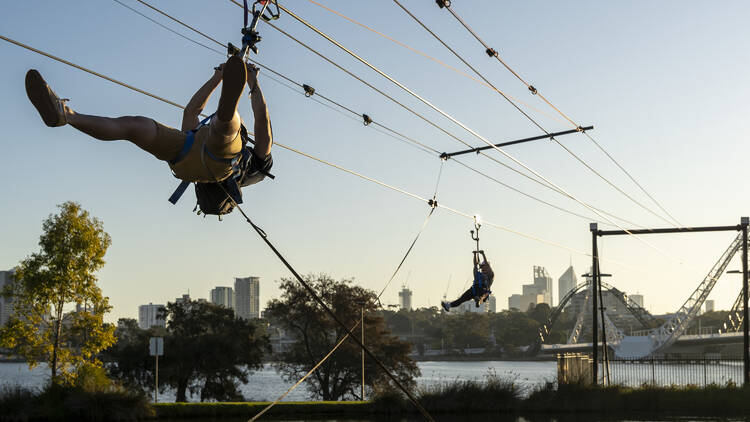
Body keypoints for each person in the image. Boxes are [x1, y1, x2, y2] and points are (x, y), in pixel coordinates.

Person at [24, 54, 273, 202]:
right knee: (136, 126)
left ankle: (228, 108)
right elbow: (258, 121)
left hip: (211, 163)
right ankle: (65, 115)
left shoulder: (257, 164)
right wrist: (241, 82)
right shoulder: (258, 159)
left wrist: (230, 81)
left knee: (225, 128)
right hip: (187, 162)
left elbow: (194, 112)